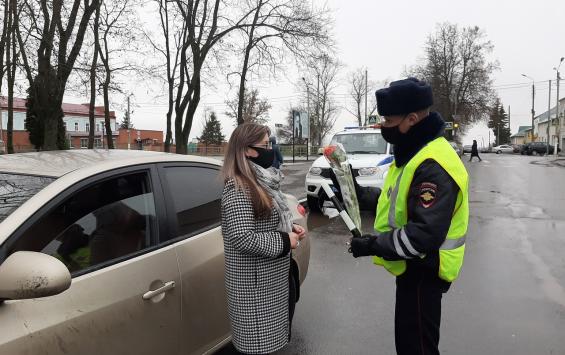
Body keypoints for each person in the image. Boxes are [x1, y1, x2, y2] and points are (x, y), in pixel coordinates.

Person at [350, 78, 469, 355]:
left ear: (411, 119)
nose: (383, 126)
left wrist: (371, 245)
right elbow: (395, 200)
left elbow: (422, 236)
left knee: (417, 348)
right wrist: (355, 193)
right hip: (413, 269)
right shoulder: (414, 152)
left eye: (388, 120)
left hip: (424, 270)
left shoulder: (432, 162)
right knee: (409, 344)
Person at [221, 123, 306, 355]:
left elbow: (265, 222)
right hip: (255, 291)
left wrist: (292, 228)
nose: (270, 150)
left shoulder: (261, 182)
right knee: (258, 347)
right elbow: (242, 237)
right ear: (247, 150)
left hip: (269, 283)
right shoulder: (238, 187)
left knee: (268, 345)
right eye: (265, 145)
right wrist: (284, 241)